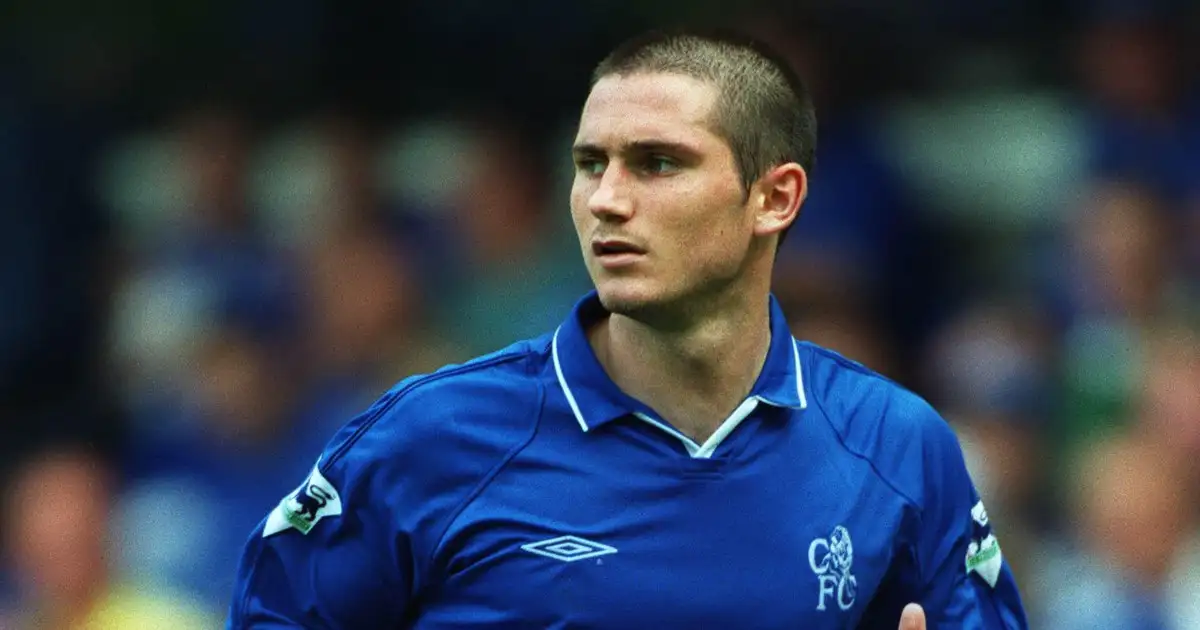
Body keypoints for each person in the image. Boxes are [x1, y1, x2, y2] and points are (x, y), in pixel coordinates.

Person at [227, 29, 1028, 629]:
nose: (606, 198)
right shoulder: (425, 441)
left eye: (656, 163)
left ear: (774, 198)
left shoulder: (896, 448)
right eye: (589, 163)